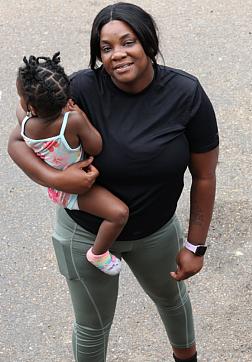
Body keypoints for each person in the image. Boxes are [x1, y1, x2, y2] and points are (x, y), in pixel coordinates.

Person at [7, 2, 219, 362]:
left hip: (155, 232)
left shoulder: (185, 93)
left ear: (148, 42)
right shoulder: (80, 90)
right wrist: (57, 178)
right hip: (84, 232)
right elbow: (20, 135)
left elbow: (204, 176)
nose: (118, 54)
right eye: (106, 48)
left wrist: (195, 246)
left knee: (173, 301)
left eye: (128, 42)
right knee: (92, 326)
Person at [17, 52, 126, 276]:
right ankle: (98, 253)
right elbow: (95, 147)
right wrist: (80, 115)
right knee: (119, 214)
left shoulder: (25, 122)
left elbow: (21, 113)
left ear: (32, 107)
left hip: (56, 185)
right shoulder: (72, 121)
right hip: (73, 190)